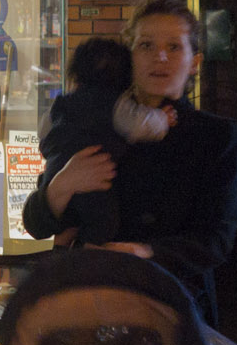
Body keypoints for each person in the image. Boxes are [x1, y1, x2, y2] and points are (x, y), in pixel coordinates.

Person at [22, 0, 237, 324]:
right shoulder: (93, 125)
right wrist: (61, 185)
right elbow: (37, 225)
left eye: (174, 47)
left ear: (194, 62)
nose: (160, 57)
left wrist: (145, 253)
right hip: (88, 306)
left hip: (174, 309)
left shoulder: (216, 137)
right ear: (130, 57)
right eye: (146, 46)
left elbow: (215, 239)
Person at [38, 36, 177, 247]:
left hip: (54, 172)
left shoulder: (62, 103)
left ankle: (65, 241)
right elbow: (140, 124)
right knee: (104, 221)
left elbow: (43, 131)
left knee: (65, 222)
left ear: (75, 74)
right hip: (94, 184)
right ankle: (89, 247)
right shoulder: (116, 104)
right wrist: (163, 119)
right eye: (146, 45)